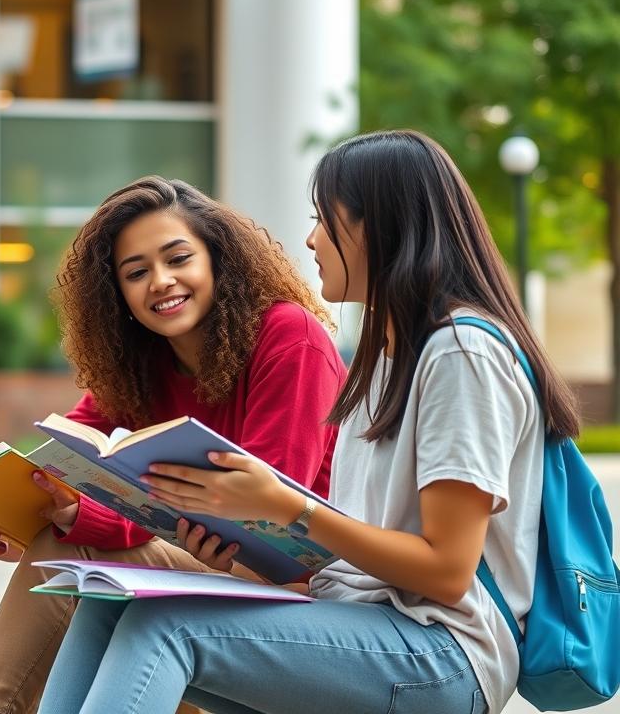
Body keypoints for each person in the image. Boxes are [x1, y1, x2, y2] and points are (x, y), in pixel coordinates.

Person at [37, 130, 571, 714]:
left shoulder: (461, 351)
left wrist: (290, 508)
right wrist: (239, 549)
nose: (311, 239)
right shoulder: (387, 356)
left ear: (379, 226)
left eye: (326, 219)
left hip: (440, 653)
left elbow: (445, 572)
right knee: (108, 604)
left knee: (162, 623)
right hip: (350, 619)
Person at [0, 176, 346, 714]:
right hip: (202, 566)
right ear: (117, 295)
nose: (160, 281)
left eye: (178, 258)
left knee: (76, 549)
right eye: (136, 273)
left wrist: (82, 518)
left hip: (297, 583)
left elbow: (265, 519)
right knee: (71, 555)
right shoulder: (136, 367)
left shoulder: (288, 335)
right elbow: (67, 463)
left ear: (218, 260)